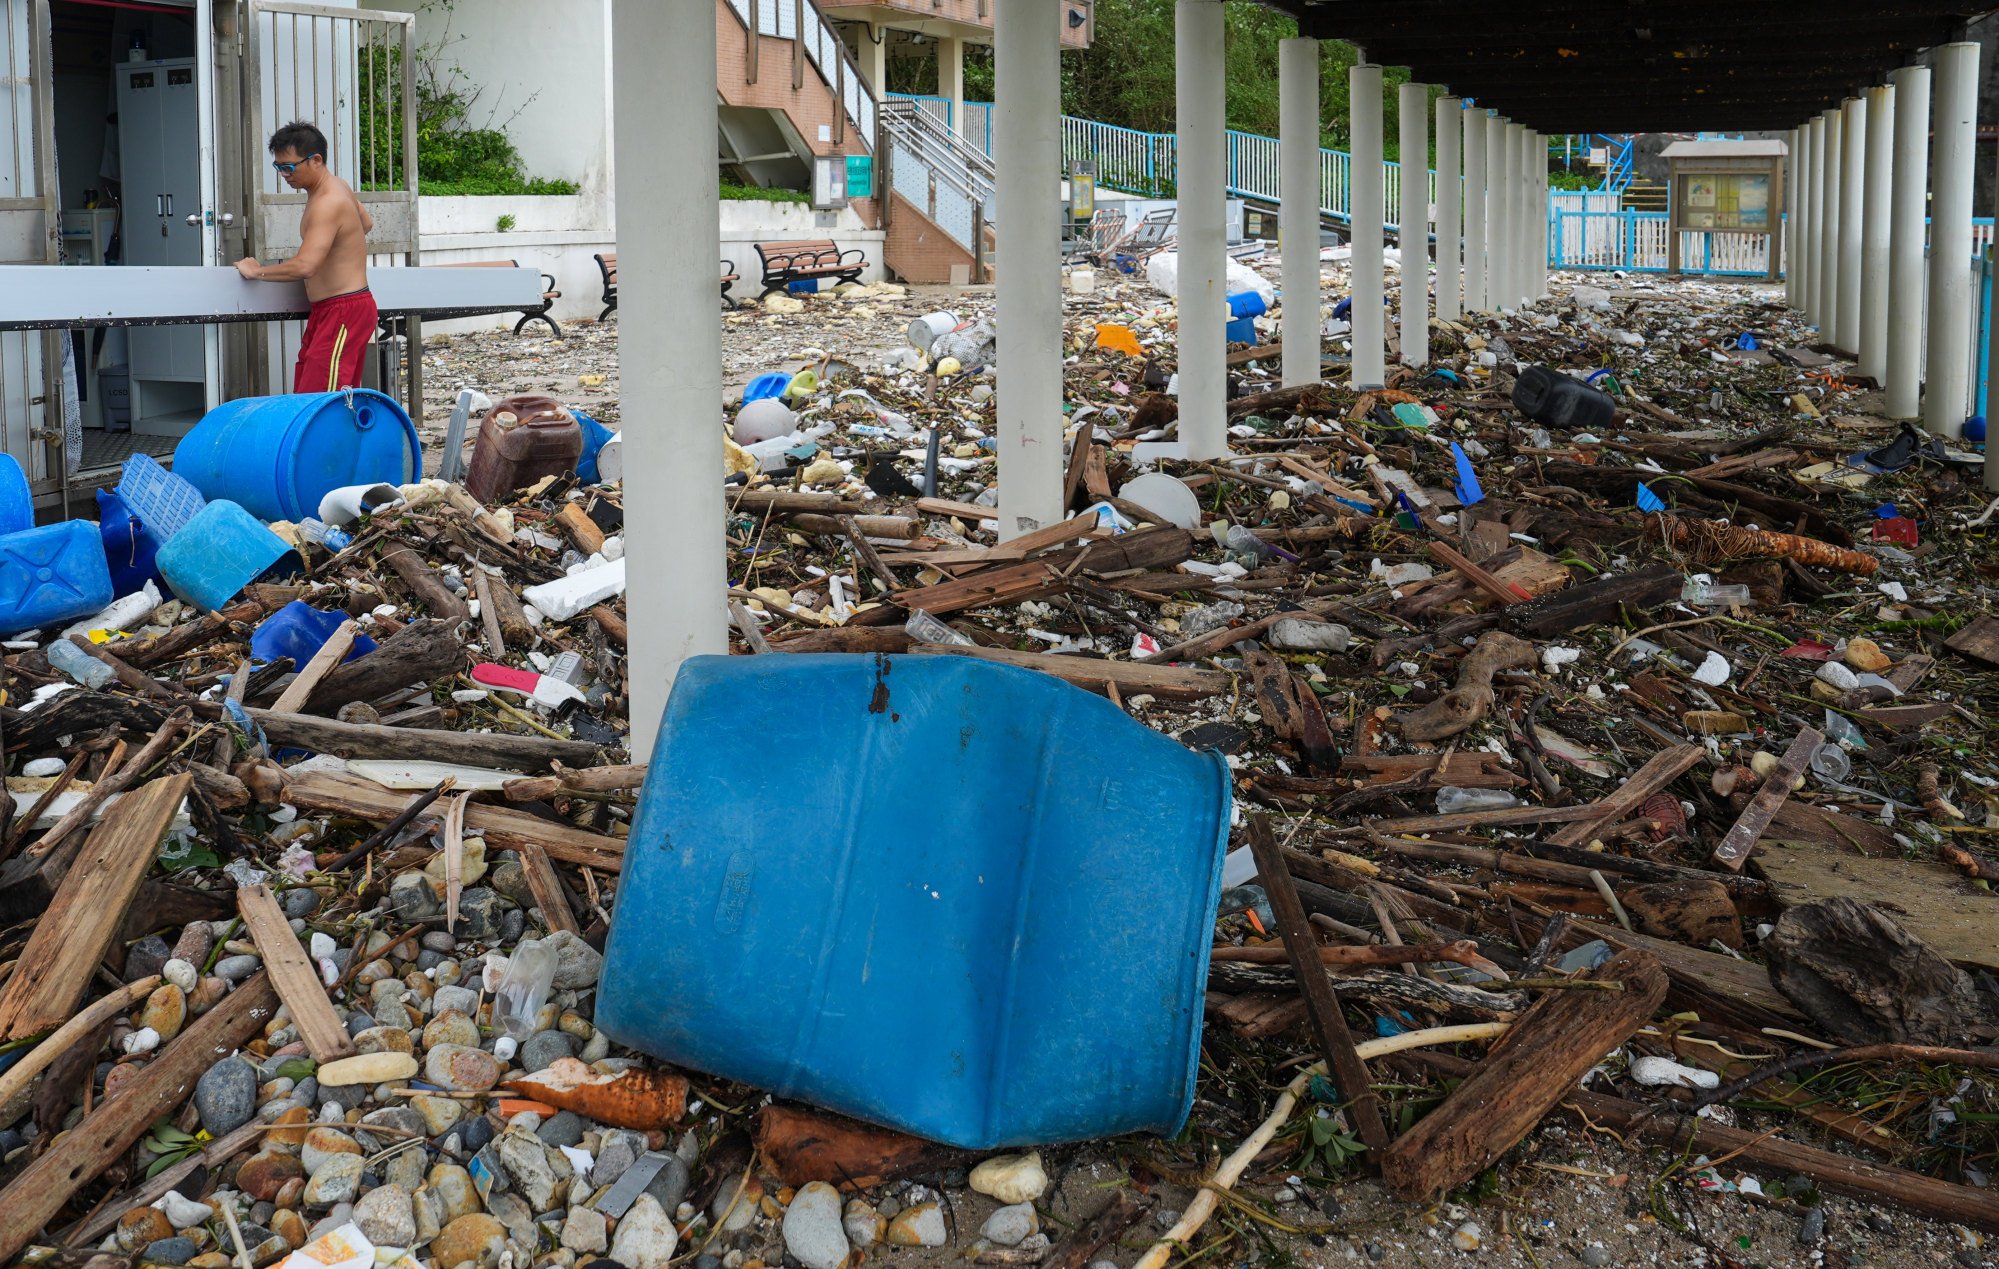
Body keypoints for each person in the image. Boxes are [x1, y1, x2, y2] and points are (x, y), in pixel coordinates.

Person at [234, 121, 376, 393]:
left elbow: (306, 266)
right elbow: (365, 223)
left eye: (288, 167)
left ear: (316, 160)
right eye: (278, 167)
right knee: (311, 390)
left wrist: (256, 272)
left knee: (324, 400)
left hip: (343, 309)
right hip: (333, 309)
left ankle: (333, 438)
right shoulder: (337, 186)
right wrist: (341, 249)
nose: (284, 175)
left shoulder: (327, 203)